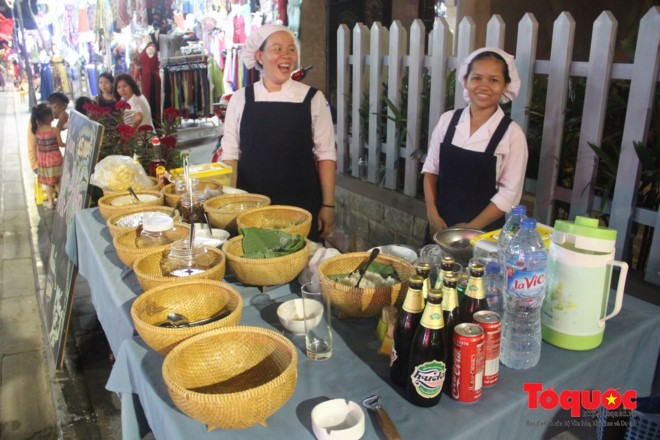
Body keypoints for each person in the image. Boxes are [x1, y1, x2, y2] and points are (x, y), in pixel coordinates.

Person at [220, 24, 336, 242]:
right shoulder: (240, 99)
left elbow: (326, 155)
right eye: (277, 49)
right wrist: (229, 205)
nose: (286, 55)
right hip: (252, 206)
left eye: (291, 49)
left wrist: (328, 204)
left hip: (301, 205)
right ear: (259, 56)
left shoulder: (313, 98)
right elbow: (230, 156)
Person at [422, 47, 528, 244]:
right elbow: (431, 170)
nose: (484, 86)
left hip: (482, 234)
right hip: (439, 226)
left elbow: (509, 195)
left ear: (506, 85)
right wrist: (432, 215)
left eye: (494, 80)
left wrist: (469, 228)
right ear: (465, 81)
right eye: (477, 78)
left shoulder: (512, 134)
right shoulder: (447, 121)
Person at [29, 103, 64, 209]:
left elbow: (34, 146)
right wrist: (68, 144)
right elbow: (60, 144)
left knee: (49, 183)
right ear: (51, 117)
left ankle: (50, 203)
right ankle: (62, 203)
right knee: (58, 182)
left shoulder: (36, 132)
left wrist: (36, 160)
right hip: (56, 160)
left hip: (44, 161)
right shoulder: (54, 130)